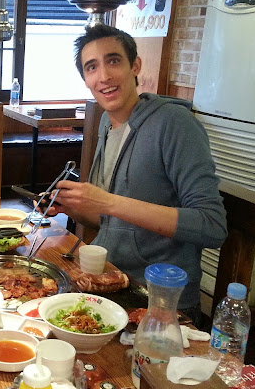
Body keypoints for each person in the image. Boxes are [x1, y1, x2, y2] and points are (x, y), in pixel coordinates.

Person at [47, 24, 227, 325]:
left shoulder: (174, 123)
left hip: (162, 305)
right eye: (92, 67)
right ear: (86, 80)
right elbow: (112, 220)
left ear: (135, 66)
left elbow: (212, 226)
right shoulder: (107, 123)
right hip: (111, 282)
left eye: (113, 60)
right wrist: (74, 208)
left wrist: (108, 202)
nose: (104, 76)